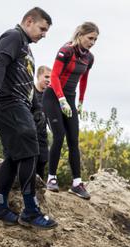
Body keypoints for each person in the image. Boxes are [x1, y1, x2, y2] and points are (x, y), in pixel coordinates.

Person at [0, 7, 57, 230]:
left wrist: (36, 107)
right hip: (8, 103)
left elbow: (26, 82)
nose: (44, 34)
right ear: (28, 21)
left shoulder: (26, 48)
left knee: (14, 156)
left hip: (19, 103)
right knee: (31, 150)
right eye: (42, 29)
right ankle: (30, 211)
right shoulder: (13, 36)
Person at [43, 21, 98, 199]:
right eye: (90, 38)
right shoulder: (66, 50)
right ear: (80, 35)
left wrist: (80, 100)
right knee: (59, 136)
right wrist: (60, 99)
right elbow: (54, 76)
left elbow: (84, 79)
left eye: (95, 40)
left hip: (70, 99)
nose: (92, 42)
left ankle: (76, 183)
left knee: (73, 139)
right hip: (53, 97)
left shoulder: (89, 57)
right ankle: (51, 178)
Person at [32, 65, 51, 181]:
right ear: (38, 76)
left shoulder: (48, 96)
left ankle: (40, 195)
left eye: (51, 77)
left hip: (43, 136)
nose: (49, 80)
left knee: (43, 162)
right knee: (30, 165)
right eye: (46, 77)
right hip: (29, 135)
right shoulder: (29, 92)